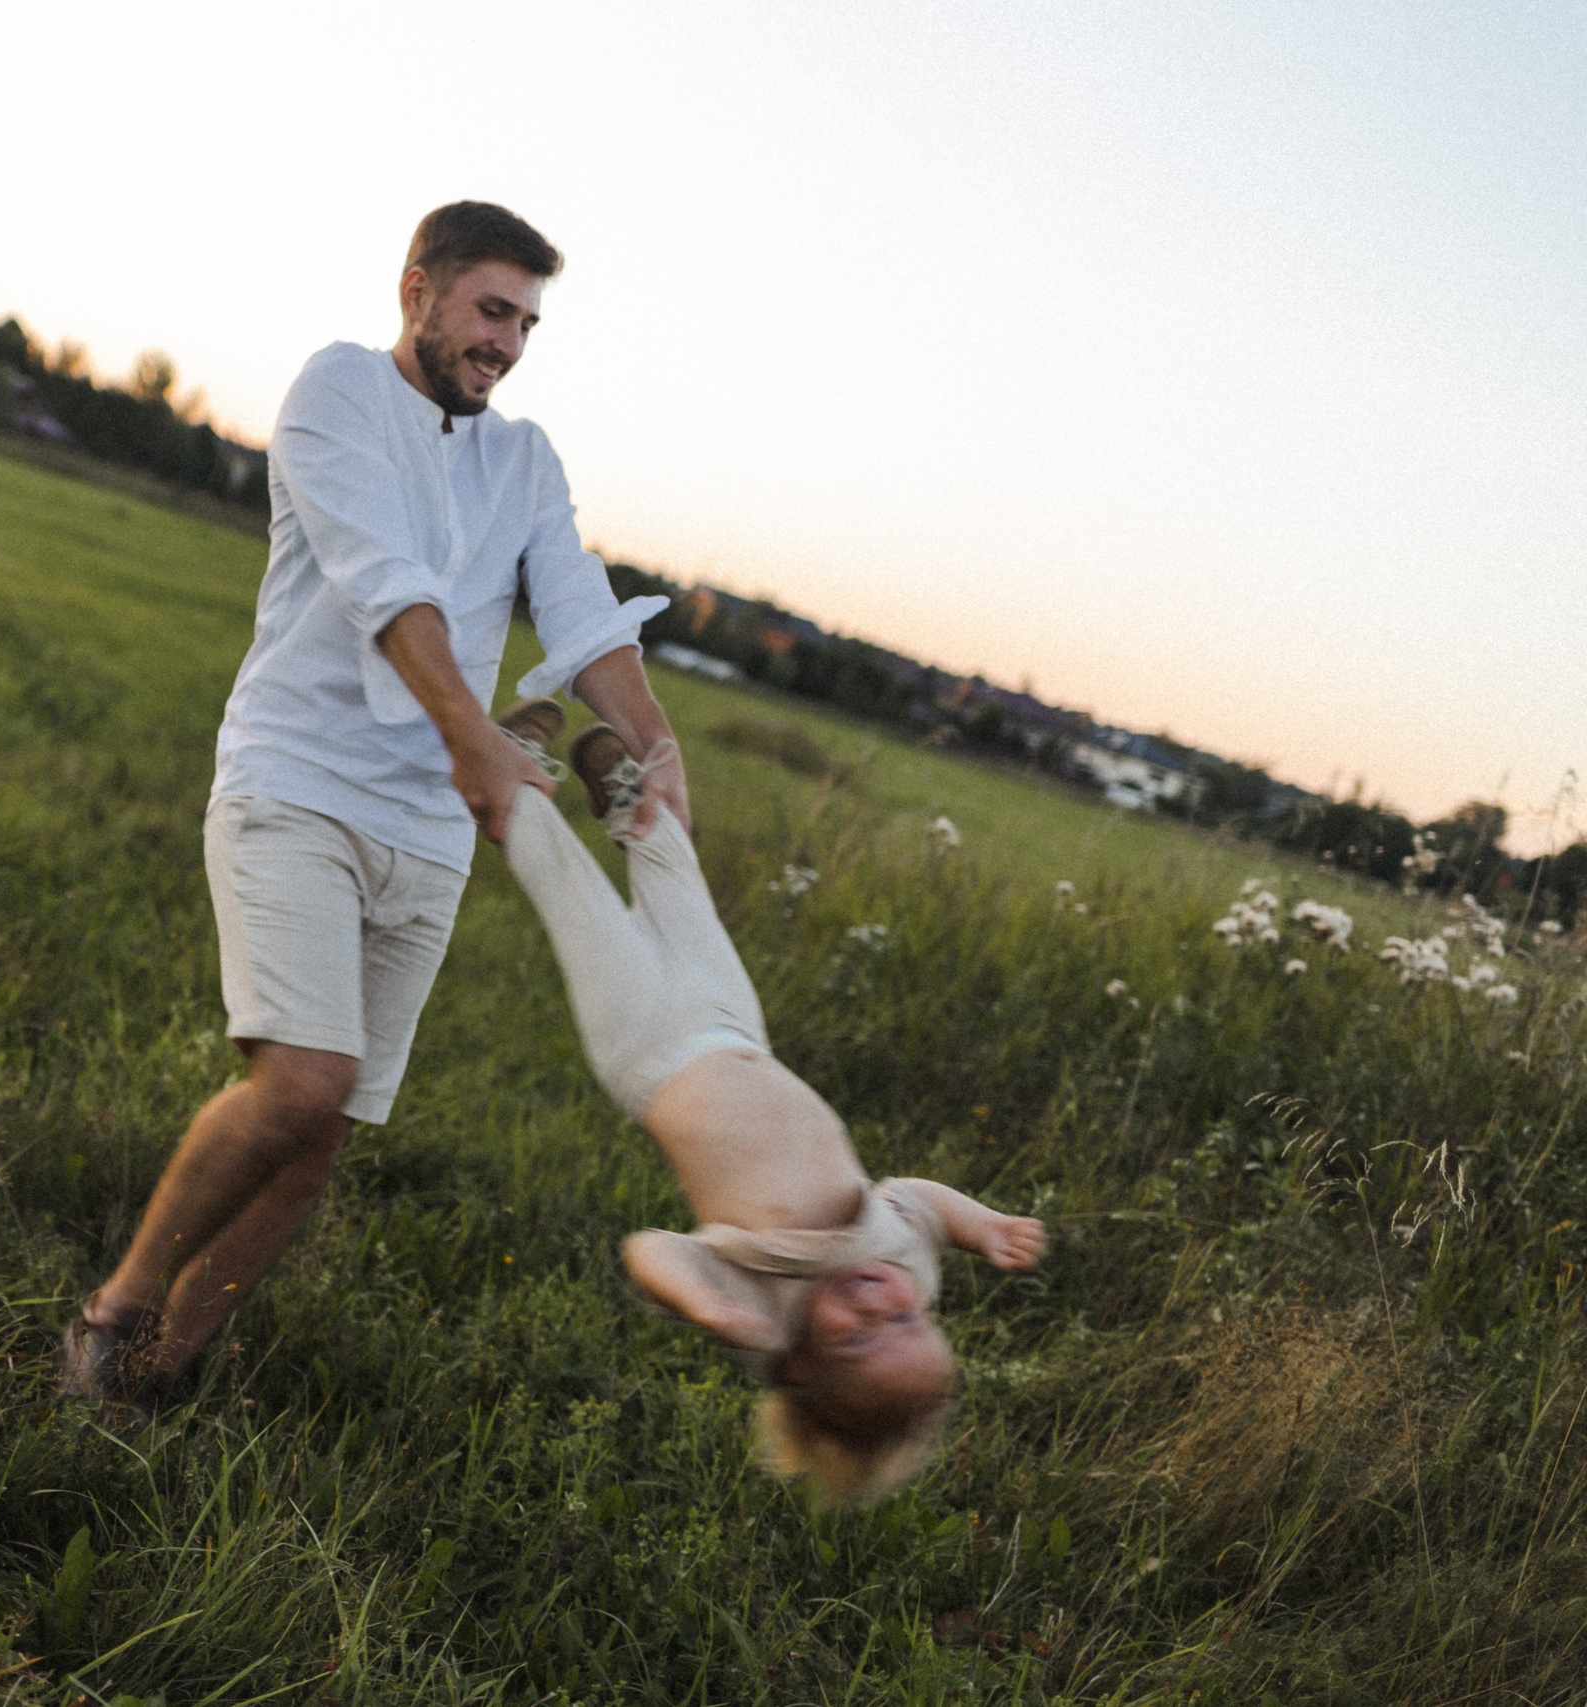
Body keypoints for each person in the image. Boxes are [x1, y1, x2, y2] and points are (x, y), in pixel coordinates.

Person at [60, 202, 682, 1414]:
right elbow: (382, 582)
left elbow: (579, 609)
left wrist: (656, 748)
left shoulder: (525, 460)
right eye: (490, 310)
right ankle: (114, 1312)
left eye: (526, 323)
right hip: (296, 782)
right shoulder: (337, 391)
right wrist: (478, 745)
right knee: (301, 1080)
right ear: (419, 293)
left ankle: (157, 1380)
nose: (506, 343)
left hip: (431, 834)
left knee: (327, 1131)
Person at [492, 702, 1047, 1504]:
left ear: (797, 1364)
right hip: (733, 1027)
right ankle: (627, 802)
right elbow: (918, 1200)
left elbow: (653, 1248)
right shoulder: (906, 1265)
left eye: (857, 1339)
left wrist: (697, 1297)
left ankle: (507, 776)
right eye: (907, 1321)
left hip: (649, 1051)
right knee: (682, 892)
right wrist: (981, 1224)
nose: (877, 1304)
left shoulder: (764, 1311)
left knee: (578, 904)